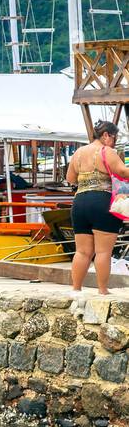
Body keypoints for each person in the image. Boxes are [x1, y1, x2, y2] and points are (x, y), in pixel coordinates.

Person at [65, 120, 128, 296]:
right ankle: (102, 289)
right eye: (114, 138)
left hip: (80, 202)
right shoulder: (107, 151)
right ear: (106, 135)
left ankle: (76, 289)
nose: (114, 143)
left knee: (82, 251)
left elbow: (70, 178)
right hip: (102, 201)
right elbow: (122, 172)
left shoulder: (78, 153)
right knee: (103, 251)